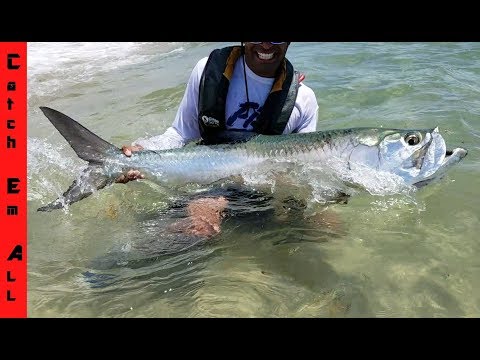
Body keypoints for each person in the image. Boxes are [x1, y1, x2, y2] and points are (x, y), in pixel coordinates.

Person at [117, 42, 319, 236]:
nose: (266, 45)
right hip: (208, 186)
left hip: (261, 195)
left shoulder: (304, 99)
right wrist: (144, 149)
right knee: (201, 228)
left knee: (329, 227)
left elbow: (303, 170)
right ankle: (105, 270)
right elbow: (180, 133)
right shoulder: (207, 70)